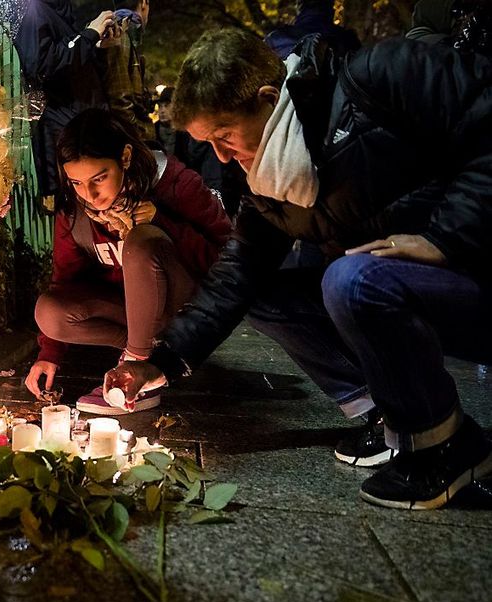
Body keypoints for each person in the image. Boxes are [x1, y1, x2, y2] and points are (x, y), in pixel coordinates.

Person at [103, 28, 492, 509]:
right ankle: (386, 413)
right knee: (266, 295)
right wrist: (159, 363)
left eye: (224, 136)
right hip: (399, 287)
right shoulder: (267, 181)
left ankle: (446, 446)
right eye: (209, 143)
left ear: (268, 100)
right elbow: (237, 275)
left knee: (349, 280)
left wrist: (445, 237)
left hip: (470, 273)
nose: (222, 156)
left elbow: (485, 123)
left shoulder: (380, 76)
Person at [25, 108, 231, 414]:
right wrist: (50, 354)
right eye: (77, 183)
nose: (90, 194)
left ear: (124, 156)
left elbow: (227, 260)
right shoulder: (74, 210)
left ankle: (136, 369)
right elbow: (64, 280)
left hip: (182, 307)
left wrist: (163, 222)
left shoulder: (176, 183)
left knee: (142, 241)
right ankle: (147, 352)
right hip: (130, 316)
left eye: (99, 178)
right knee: (50, 312)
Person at [13, 1, 122, 196]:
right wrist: (88, 36)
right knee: (82, 200)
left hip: (87, 125)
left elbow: (70, 57)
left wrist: (97, 45)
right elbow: (41, 65)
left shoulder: (60, 8)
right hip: (66, 137)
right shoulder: (33, 9)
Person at [156, 86, 245, 217]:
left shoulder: (189, 133)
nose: (162, 110)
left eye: (167, 105)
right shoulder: (154, 132)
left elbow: (208, 169)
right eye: (160, 106)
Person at [103, 0, 157, 143]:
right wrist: (142, 137)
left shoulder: (117, 30)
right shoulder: (120, 32)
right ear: (144, 3)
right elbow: (119, 102)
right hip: (126, 140)